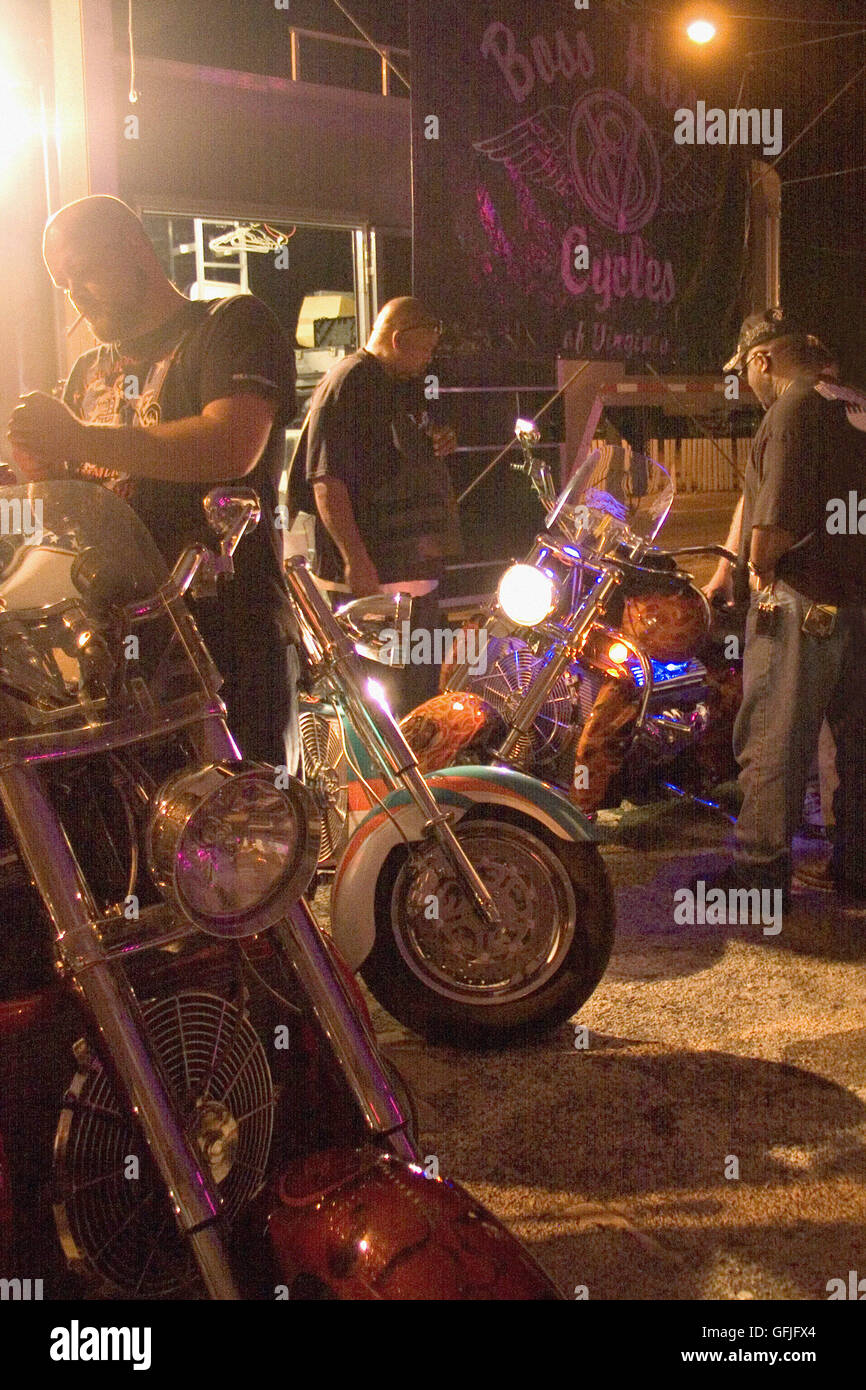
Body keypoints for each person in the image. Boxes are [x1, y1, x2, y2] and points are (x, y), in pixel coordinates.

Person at [6, 195, 297, 765]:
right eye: (62, 281)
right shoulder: (88, 372)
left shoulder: (228, 324)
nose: (74, 292)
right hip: (119, 651)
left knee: (252, 831)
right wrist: (38, 483)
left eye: (83, 269)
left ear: (135, 249)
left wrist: (75, 439)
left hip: (225, 634)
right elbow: (80, 513)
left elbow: (230, 444)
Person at [704, 308, 866, 906]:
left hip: (804, 601)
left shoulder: (791, 406)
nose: (747, 382)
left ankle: (758, 872)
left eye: (745, 369)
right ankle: (857, 865)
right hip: (860, 598)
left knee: (774, 731)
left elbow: (772, 517)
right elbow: (763, 493)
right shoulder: (851, 400)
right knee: (859, 742)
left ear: (762, 358)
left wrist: (754, 568)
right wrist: (727, 561)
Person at [298, 296, 462, 715]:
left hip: (412, 581)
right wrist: (357, 561)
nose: (427, 361)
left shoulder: (399, 386)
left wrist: (441, 439)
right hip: (378, 586)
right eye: (423, 349)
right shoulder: (351, 382)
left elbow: (405, 450)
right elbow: (326, 481)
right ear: (398, 339)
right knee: (381, 708)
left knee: (418, 701)